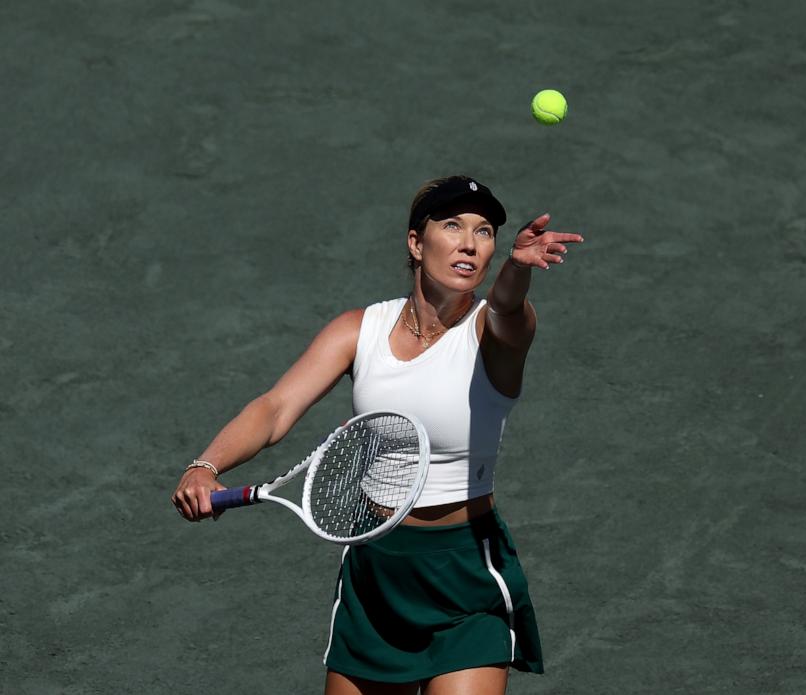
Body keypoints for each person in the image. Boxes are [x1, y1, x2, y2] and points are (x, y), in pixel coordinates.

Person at [172, 175, 584, 694]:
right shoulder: (358, 329)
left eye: (484, 232)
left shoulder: (495, 330)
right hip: (376, 570)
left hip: (463, 573)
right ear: (416, 242)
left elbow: (505, 306)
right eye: (452, 225)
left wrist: (515, 271)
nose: (469, 243)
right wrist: (206, 466)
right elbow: (275, 407)